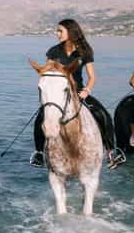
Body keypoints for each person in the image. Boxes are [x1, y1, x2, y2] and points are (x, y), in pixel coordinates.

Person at [30, 19, 126, 169]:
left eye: (60, 31)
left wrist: (86, 90)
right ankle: (39, 153)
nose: (57, 34)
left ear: (70, 32)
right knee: (40, 118)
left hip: (79, 92)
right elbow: (48, 74)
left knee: (102, 114)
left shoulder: (84, 51)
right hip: (59, 95)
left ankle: (111, 152)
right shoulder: (53, 51)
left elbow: (92, 77)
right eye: (57, 31)